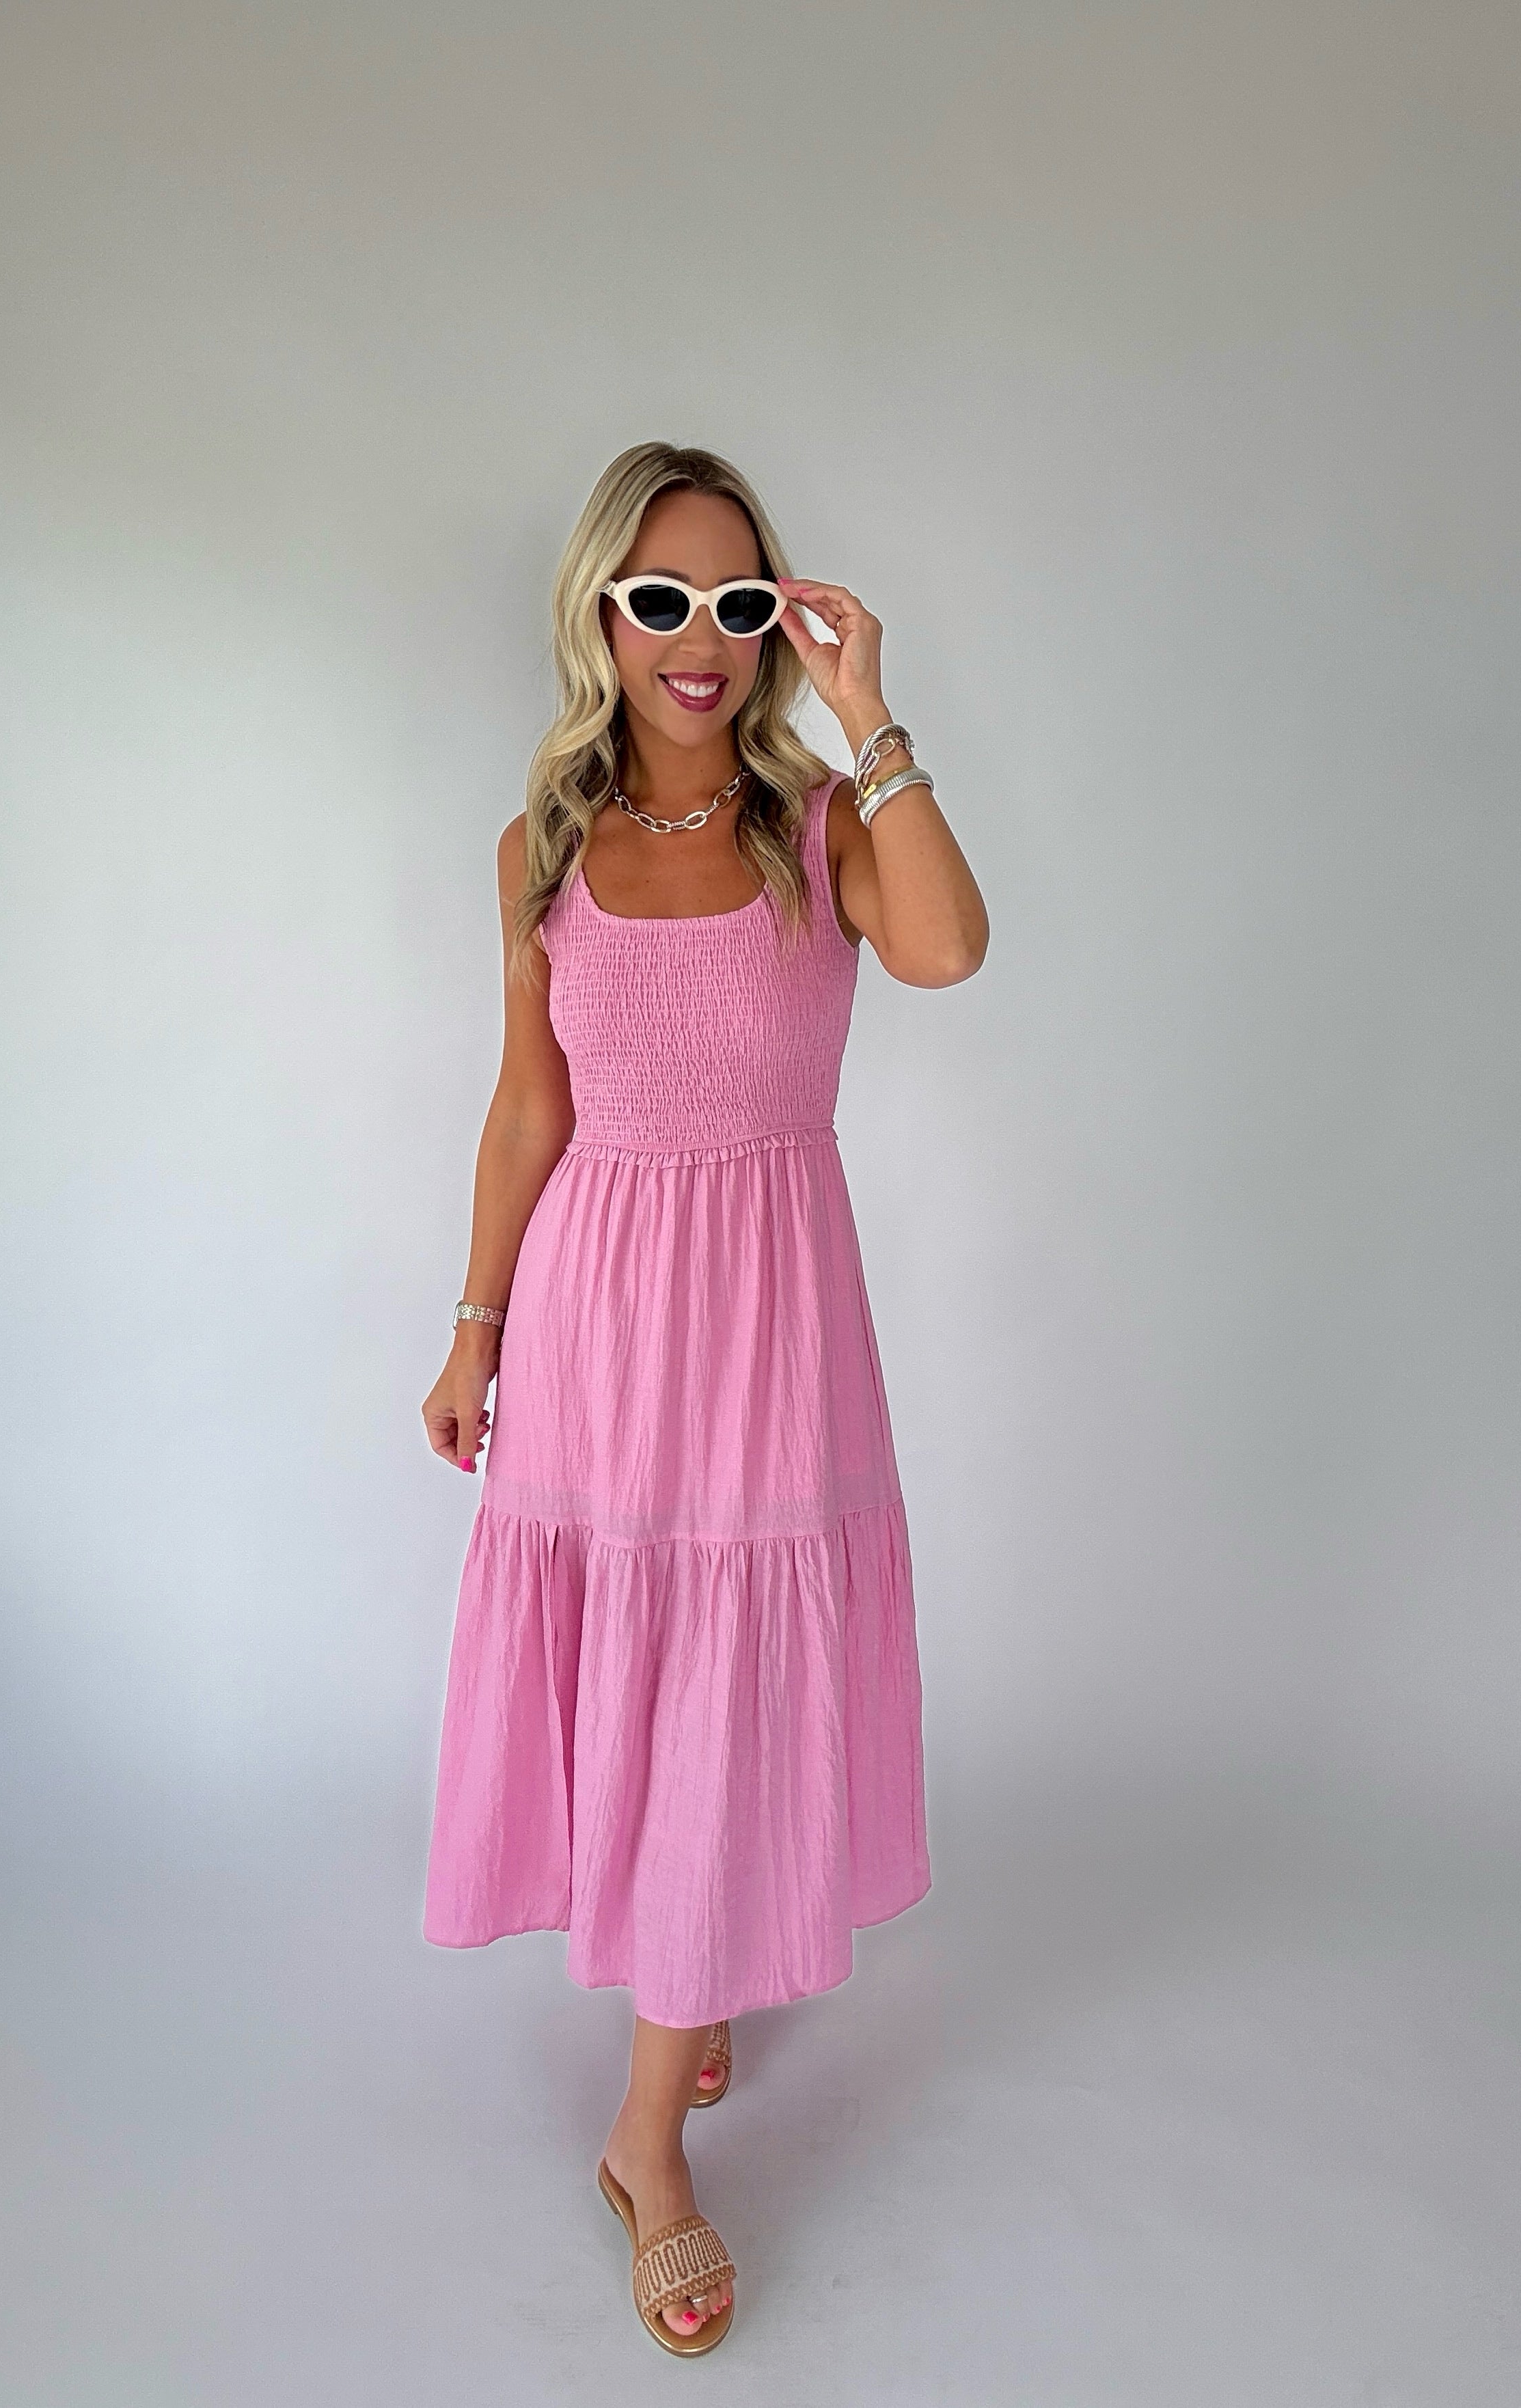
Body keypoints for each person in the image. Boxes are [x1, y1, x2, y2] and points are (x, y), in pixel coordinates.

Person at [420, 440, 988, 2354]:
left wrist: (870, 713)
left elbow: (947, 947)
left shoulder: (819, 826)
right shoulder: (540, 849)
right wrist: (477, 1324)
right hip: (599, 1318)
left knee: (730, 1669)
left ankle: (642, 2130)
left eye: (737, 603)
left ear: (774, 624)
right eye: (660, 598)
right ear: (600, 611)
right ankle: (663, 2090)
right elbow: (530, 1107)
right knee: (654, 1666)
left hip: (768, 1322)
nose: (699, 638)